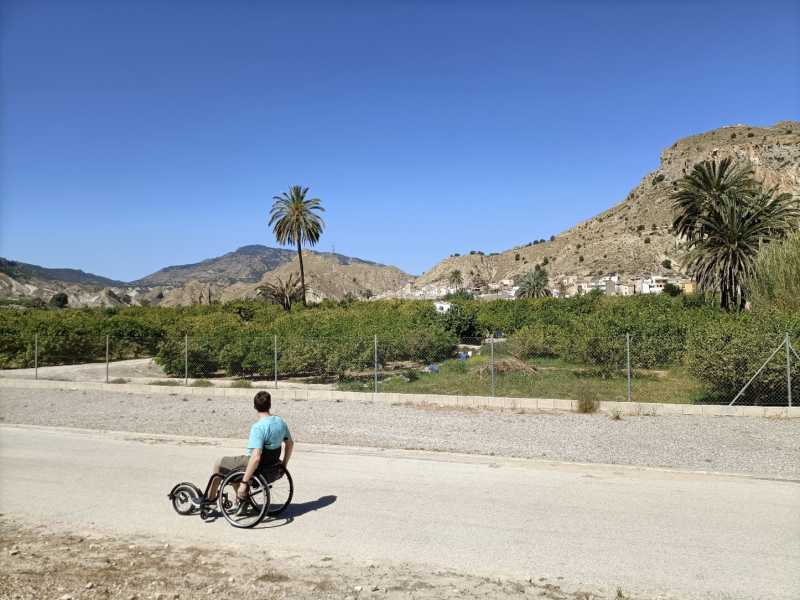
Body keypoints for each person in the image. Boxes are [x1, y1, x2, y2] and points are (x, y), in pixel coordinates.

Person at [192, 390, 293, 507]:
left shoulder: (258, 427)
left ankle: (210, 499)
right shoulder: (280, 422)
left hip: (258, 465)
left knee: (219, 463)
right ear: (270, 406)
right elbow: (290, 444)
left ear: (254, 406)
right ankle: (241, 502)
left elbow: (255, 457)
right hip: (272, 465)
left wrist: (244, 483)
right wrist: (284, 466)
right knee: (232, 468)